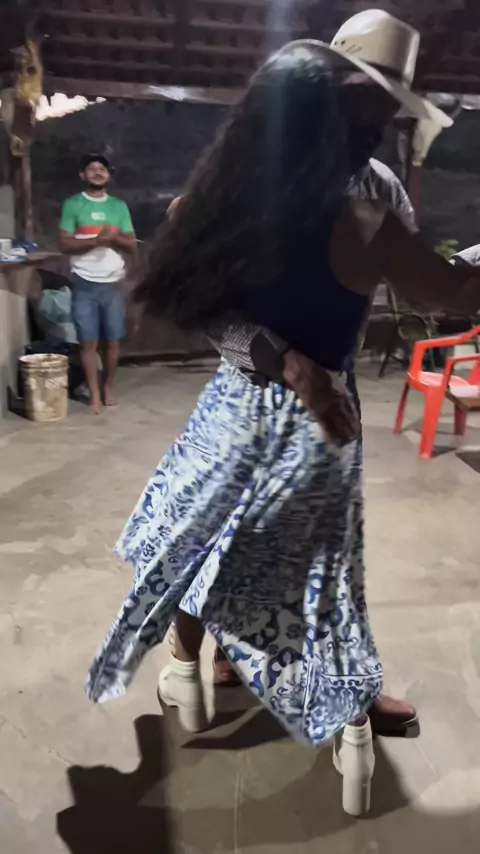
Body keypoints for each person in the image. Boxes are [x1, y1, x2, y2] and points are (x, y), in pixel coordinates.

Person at [86, 22, 480, 816]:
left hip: (316, 407)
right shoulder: (251, 185)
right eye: (368, 98)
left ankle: (331, 695)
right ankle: (204, 665)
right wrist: (287, 361)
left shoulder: (375, 192)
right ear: (324, 94)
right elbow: (202, 298)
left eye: (390, 105)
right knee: (215, 545)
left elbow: (422, 281)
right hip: (260, 399)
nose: (379, 119)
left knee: (307, 563)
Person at [59, 153, 136, 414]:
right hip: (84, 282)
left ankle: (108, 387)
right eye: (91, 168)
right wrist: (95, 241)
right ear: (82, 175)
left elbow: (131, 244)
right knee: (88, 342)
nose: (97, 172)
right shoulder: (73, 204)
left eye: (102, 168)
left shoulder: (118, 207)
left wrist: (112, 238)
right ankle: (93, 393)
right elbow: (64, 243)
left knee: (113, 342)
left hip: (112, 283)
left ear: (108, 175)